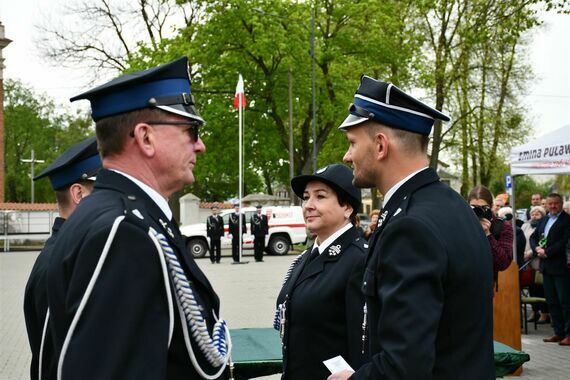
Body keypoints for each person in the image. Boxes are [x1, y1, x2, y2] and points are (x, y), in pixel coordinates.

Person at [46, 57, 231, 379]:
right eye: (191, 130)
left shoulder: (117, 216)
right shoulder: (125, 234)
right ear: (146, 138)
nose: (199, 145)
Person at [331, 75, 494, 380]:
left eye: (352, 143)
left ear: (380, 145)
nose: (347, 156)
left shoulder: (410, 227)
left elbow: (405, 366)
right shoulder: (452, 205)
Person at [275, 164, 367, 380]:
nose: (308, 205)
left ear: (347, 208)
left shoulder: (360, 260)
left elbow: (365, 342)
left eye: (320, 196)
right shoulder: (306, 257)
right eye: (306, 197)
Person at [23, 136, 101, 380]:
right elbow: (52, 362)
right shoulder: (60, 262)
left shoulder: (75, 250)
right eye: (103, 190)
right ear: (78, 193)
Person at [530, 193, 570, 346]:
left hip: (561, 267)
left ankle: (568, 333)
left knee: (565, 301)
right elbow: (533, 237)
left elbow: (564, 241)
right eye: (550, 203)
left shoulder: (567, 220)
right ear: (546, 205)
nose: (553, 206)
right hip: (545, 267)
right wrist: (537, 248)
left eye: (556, 203)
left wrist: (547, 252)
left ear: (561, 204)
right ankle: (558, 332)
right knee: (552, 302)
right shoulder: (545, 219)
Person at [467, 185, 513, 289]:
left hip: (485, 285)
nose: (477, 211)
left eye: (483, 208)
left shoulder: (503, 227)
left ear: (491, 206)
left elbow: (503, 263)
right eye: (473, 207)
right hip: (460, 283)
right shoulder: (462, 222)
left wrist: (488, 235)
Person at [521, 205, 549, 324]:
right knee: (531, 286)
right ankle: (534, 311)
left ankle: (544, 313)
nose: (534, 215)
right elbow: (521, 240)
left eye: (538, 213)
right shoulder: (525, 225)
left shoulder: (544, 226)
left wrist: (530, 252)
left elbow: (542, 242)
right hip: (527, 261)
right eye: (533, 213)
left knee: (541, 288)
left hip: (538, 258)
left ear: (542, 215)